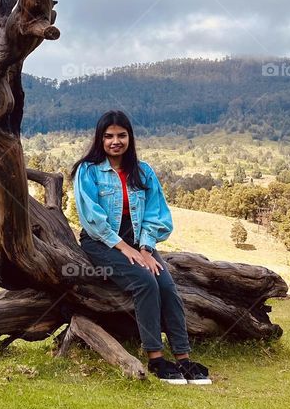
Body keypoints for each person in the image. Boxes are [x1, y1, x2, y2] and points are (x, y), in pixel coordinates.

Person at [71, 110, 211, 385]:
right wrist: (124, 248)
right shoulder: (87, 171)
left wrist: (145, 248)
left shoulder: (143, 171)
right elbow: (91, 218)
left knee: (167, 286)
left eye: (121, 135)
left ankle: (183, 359)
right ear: (99, 139)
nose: (115, 141)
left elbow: (156, 214)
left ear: (130, 138)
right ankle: (156, 358)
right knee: (145, 283)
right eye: (108, 136)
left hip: (139, 241)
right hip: (102, 242)